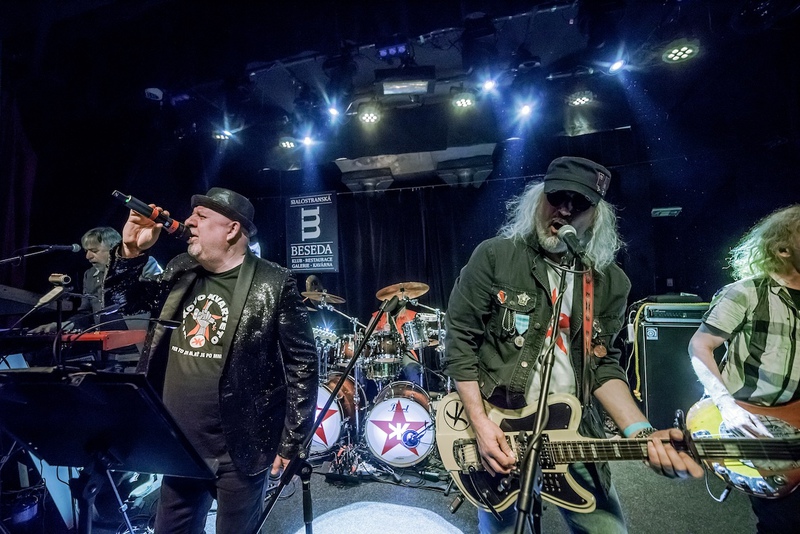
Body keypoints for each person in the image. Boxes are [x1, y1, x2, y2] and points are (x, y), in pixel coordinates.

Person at [443, 156, 703, 533]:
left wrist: (642, 434)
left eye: (579, 203)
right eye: (557, 197)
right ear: (538, 200)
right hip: (501, 427)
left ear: (596, 216)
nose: (564, 210)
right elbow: (460, 341)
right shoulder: (496, 256)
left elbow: (603, 367)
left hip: (575, 429)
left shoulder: (610, 282)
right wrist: (480, 425)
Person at [104, 187, 319, 534]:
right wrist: (130, 251)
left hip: (240, 449)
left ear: (232, 229)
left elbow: (303, 365)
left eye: (201, 216)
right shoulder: (180, 268)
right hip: (180, 446)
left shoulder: (273, 282)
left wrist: (292, 441)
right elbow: (121, 301)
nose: (188, 221)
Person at [688, 204, 800, 534]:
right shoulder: (746, 293)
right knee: (784, 523)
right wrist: (728, 407)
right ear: (783, 250)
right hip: (757, 423)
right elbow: (700, 346)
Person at [30, 226, 162, 369]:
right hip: (106, 354)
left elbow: (160, 301)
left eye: (94, 251)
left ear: (114, 249)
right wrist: (61, 325)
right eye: (86, 251)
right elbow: (86, 313)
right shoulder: (90, 275)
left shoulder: (144, 265)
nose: (88, 256)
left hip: (139, 353)